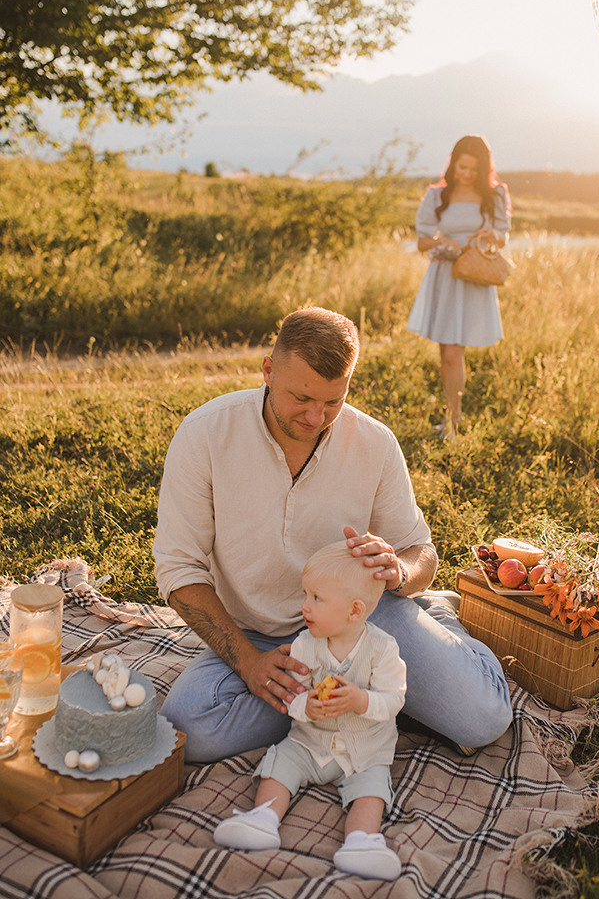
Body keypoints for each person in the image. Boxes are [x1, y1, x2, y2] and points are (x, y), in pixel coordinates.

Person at [153, 306, 511, 763]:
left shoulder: (375, 442)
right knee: (193, 728)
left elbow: (420, 551)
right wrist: (248, 661)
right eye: (301, 398)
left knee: (483, 720)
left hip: (362, 618)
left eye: (332, 401)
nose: (315, 416)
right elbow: (179, 570)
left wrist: (399, 571)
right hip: (262, 637)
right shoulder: (204, 435)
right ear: (267, 370)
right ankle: (366, 693)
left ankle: (431, 626)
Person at [213, 540, 406, 881]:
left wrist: (361, 701)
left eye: (316, 598)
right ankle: (263, 819)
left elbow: (393, 700)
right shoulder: (305, 644)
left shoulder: (383, 649)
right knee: (281, 764)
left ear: (355, 611)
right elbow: (292, 695)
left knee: (371, 788)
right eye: (306, 595)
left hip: (363, 751)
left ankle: (362, 841)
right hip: (309, 743)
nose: (305, 606)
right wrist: (307, 707)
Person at [407, 135, 512, 440]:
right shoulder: (437, 196)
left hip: (476, 277)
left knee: (456, 351)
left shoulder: (496, 194)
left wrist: (491, 233)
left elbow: (503, 236)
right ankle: (453, 421)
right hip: (446, 276)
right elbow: (422, 241)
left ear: (483, 170)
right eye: (461, 167)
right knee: (449, 353)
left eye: (473, 170)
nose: (466, 174)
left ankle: (453, 421)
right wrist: (443, 241)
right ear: (453, 163)